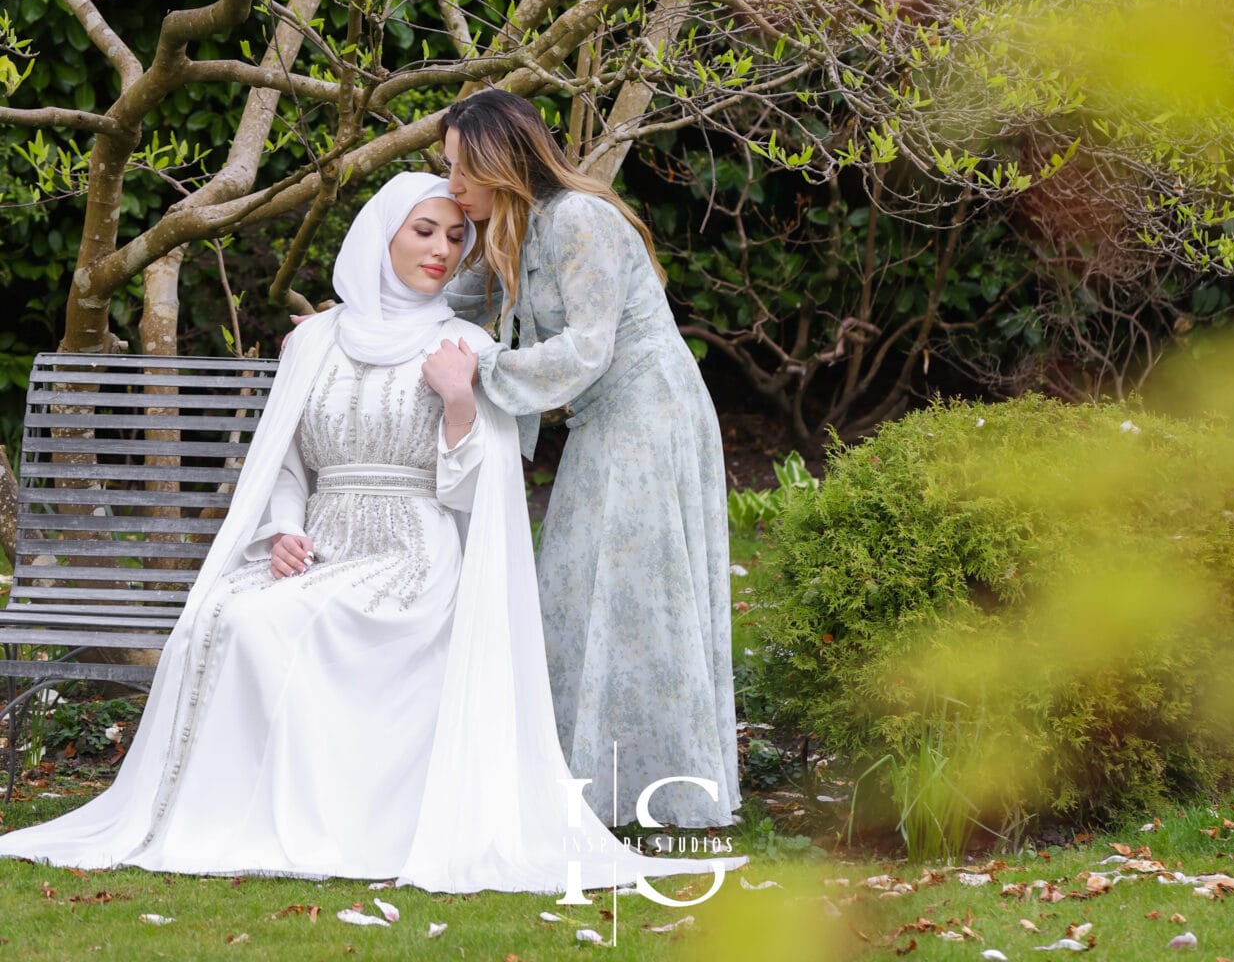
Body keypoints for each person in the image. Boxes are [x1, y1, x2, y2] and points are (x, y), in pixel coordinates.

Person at [0, 174, 738, 892]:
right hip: (320, 547)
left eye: (458, 236)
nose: (443, 250)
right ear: (380, 236)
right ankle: (226, 815)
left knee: (275, 626)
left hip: (412, 557)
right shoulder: (317, 340)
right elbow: (285, 464)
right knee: (222, 614)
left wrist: (457, 405)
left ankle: (318, 826)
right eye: (424, 231)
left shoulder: (469, 351)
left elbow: (489, 496)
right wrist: (283, 528)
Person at [441, 91, 741, 832]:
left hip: (649, 411)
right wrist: (349, 321)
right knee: (578, 592)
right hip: (603, 418)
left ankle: (662, 797)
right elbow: (439, 299)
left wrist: (480, 375)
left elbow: (586, 346)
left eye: (461, 169)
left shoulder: (578, 219)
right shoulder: (510, 232)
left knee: (638, 596)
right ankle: (586, 788)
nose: (452, 185)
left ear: (499, 163)